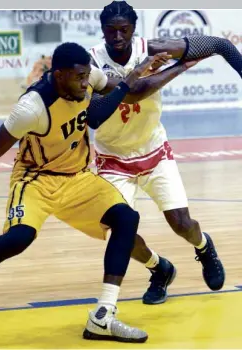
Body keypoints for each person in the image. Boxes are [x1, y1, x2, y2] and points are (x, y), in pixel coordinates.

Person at [0, 42, 200, 342]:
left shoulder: (90, 77)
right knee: (19, 238)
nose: (86, 84)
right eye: (78, 78)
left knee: (126, 218)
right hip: (37, 180)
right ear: (59, 75)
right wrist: (128, 81)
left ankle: (103, 315)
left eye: (87, 76)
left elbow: (128, 93)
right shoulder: (31, 108)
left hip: (77, 177)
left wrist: (173, 68)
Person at [89, 1, 241, 305]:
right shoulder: (92, 63)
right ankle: (159, 269)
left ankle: (203, 247)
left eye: (124, 29)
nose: (117, 36)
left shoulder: (153, 47)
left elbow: (221, 45)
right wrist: (179, 67)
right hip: (113, 159)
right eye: (111, 30)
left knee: (181, 223)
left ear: (133, 30)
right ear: (102, 30)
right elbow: (127, 96)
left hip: (154, 150)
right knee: (119, 231)